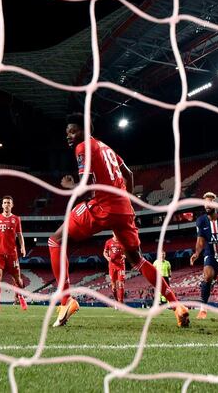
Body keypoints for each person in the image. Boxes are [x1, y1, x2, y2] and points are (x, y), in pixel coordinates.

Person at [49, 113, 189, 328]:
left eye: (73, 131)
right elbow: (129, 173)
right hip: (123, 209)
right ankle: (176, 304)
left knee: (55, 241)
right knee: (138, 259)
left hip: (102, 207)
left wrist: (70, 187)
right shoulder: (107, 147)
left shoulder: (82, 147)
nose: (69, 136)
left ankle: (66, 301)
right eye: (67, 132)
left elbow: (86, 184)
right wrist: (128, 200)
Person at [103, 234, 126, 306]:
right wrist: (107, 258)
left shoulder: (122, 241)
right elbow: (104, 252)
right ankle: (116, 301)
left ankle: (121, 303)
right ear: (113, 233)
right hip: (112, 266)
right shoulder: (108, 242)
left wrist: (125, 255)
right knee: (113, 287)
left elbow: (126, 252)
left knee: (121, 284)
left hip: (121, 266)